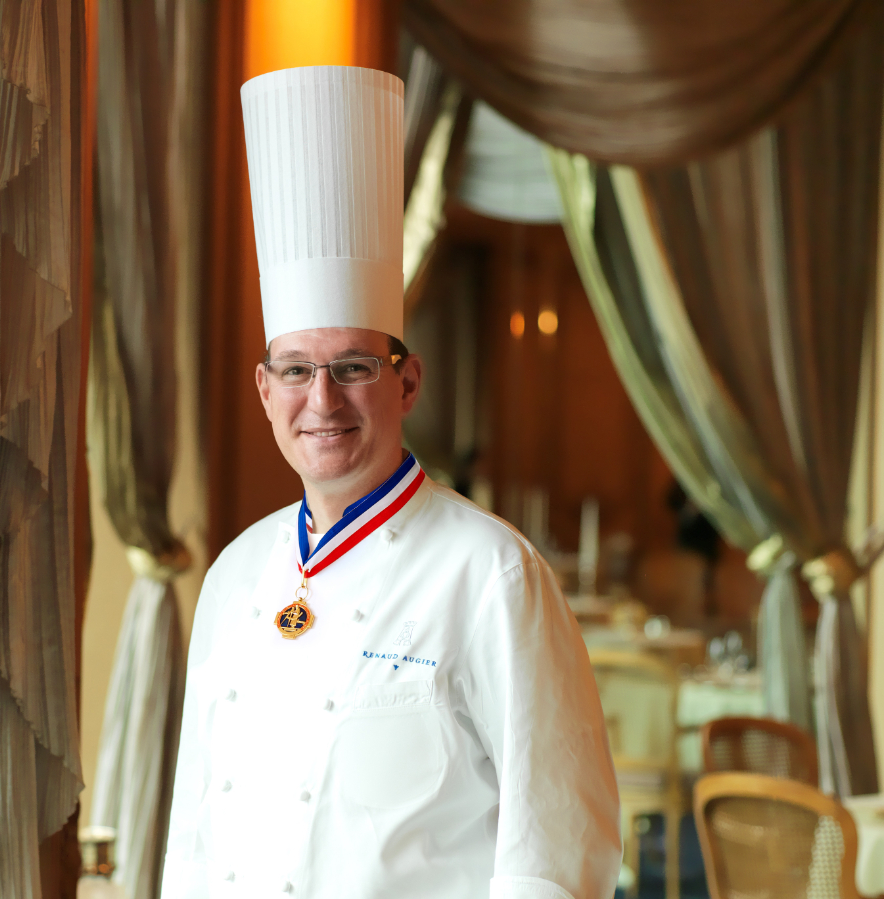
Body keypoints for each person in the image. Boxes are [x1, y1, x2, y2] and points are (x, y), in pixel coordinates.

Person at [161, 65, 621, 899]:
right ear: (264, 389)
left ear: (407, 382)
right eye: (296, 369)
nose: (322, 400)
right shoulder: (233, 577)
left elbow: (555, 856)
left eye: (353, 366)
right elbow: (194, 841)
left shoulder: (492, 573)